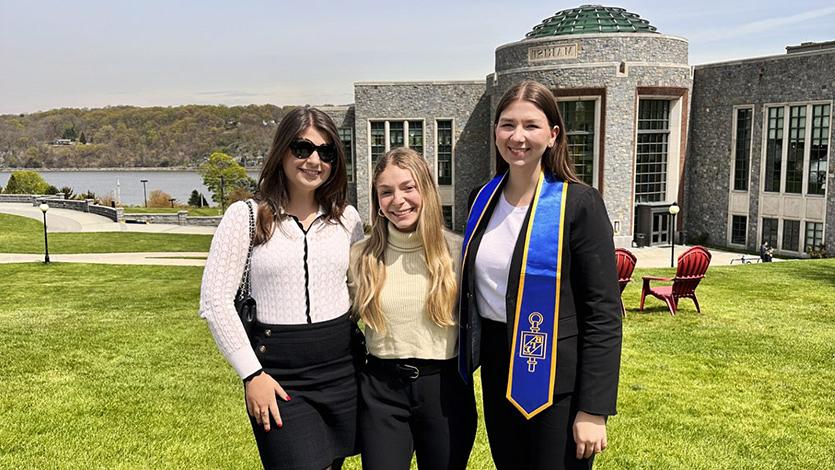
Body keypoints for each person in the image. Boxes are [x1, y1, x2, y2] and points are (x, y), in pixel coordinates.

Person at [457, 80, 623, 470]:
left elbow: (602, 312)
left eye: (531, 126)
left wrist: (593, 410)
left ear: (552, 135)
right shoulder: (481, 200)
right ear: (495, 131)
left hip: (557, 378)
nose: (518, 136)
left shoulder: (579, 204)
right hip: (498, 371)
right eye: (507, 124)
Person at [199, 106, 364, 470]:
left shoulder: (347, 219)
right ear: (282, 152)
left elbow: (360, 290)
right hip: (279, 376)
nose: (314, 160)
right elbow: (214, 301)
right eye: (302, 148)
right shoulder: (245, 216)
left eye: (326, 151)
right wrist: (251, 374)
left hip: (342, 368)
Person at [348, 147, 477, 470]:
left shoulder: (458, 254)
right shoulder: (360, 257)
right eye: (386, 192)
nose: (398, 200)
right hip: (381, 392)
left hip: (445, 391)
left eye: (408, 187)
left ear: (427, 190)